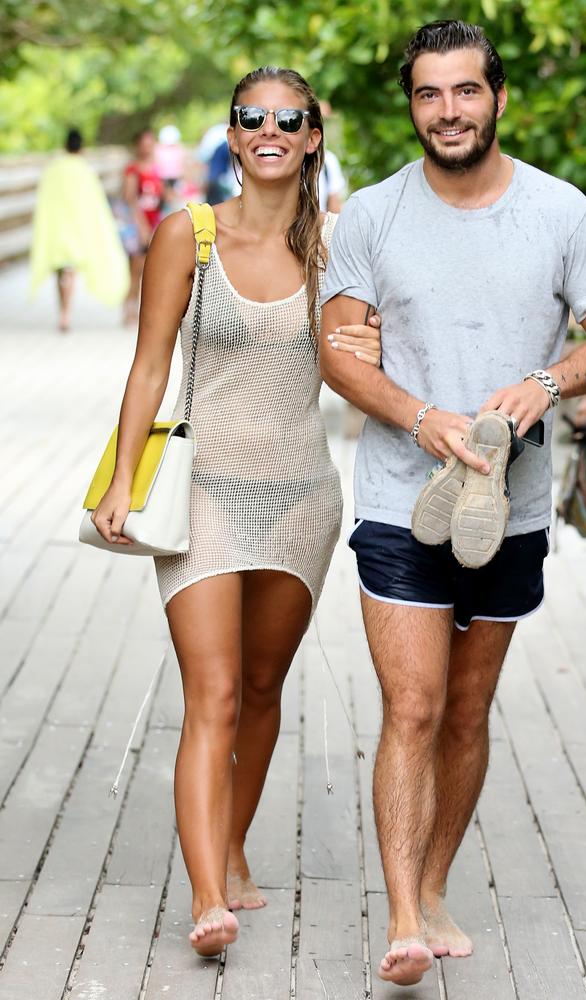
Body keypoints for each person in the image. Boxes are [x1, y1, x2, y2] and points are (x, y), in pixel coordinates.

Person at [320, 19, 586, 987]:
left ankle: (437, 878)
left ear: (497, 98)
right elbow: (337, 346)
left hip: (514, 499)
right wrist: (417, 417)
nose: (445, 110)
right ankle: (404, 914)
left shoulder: (558, 210)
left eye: (463, 91)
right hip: (398, 494)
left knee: (464, 708)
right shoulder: (370, 215)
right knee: (410, 703)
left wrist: (544, 383)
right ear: (411, 104)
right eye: (427, 93)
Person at [89, 67, 382, 959]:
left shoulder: (338, 245)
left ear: (310, 137)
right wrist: (117, 484)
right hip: (204, 491)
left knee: (261, 689)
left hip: (303, 498)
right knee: (210, 692)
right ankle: (209, 895)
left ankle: (236, 847)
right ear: (232, 134)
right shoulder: (190, 236)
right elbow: (148, 366)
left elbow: (366, 355)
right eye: (250, 117)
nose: (268, 130)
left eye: (287, 119)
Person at [30, 127, 128, 330]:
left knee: (61, 271)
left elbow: (45, 199)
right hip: (76, 227)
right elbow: (95, 203)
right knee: (70, 270)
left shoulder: (54, 168)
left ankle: (63, 311)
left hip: (58, 226)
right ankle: (66, 312)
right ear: (81, 147)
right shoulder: (84, 169)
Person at [122, 129, 165, 324]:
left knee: (152, 271)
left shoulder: (156, 169)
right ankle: (129, 309)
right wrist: (141, 226)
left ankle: (143, 312)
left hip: (154, 222)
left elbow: (162, 196)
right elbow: (129, 199)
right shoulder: (133, 170)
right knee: (136, 269)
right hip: (138, 225)